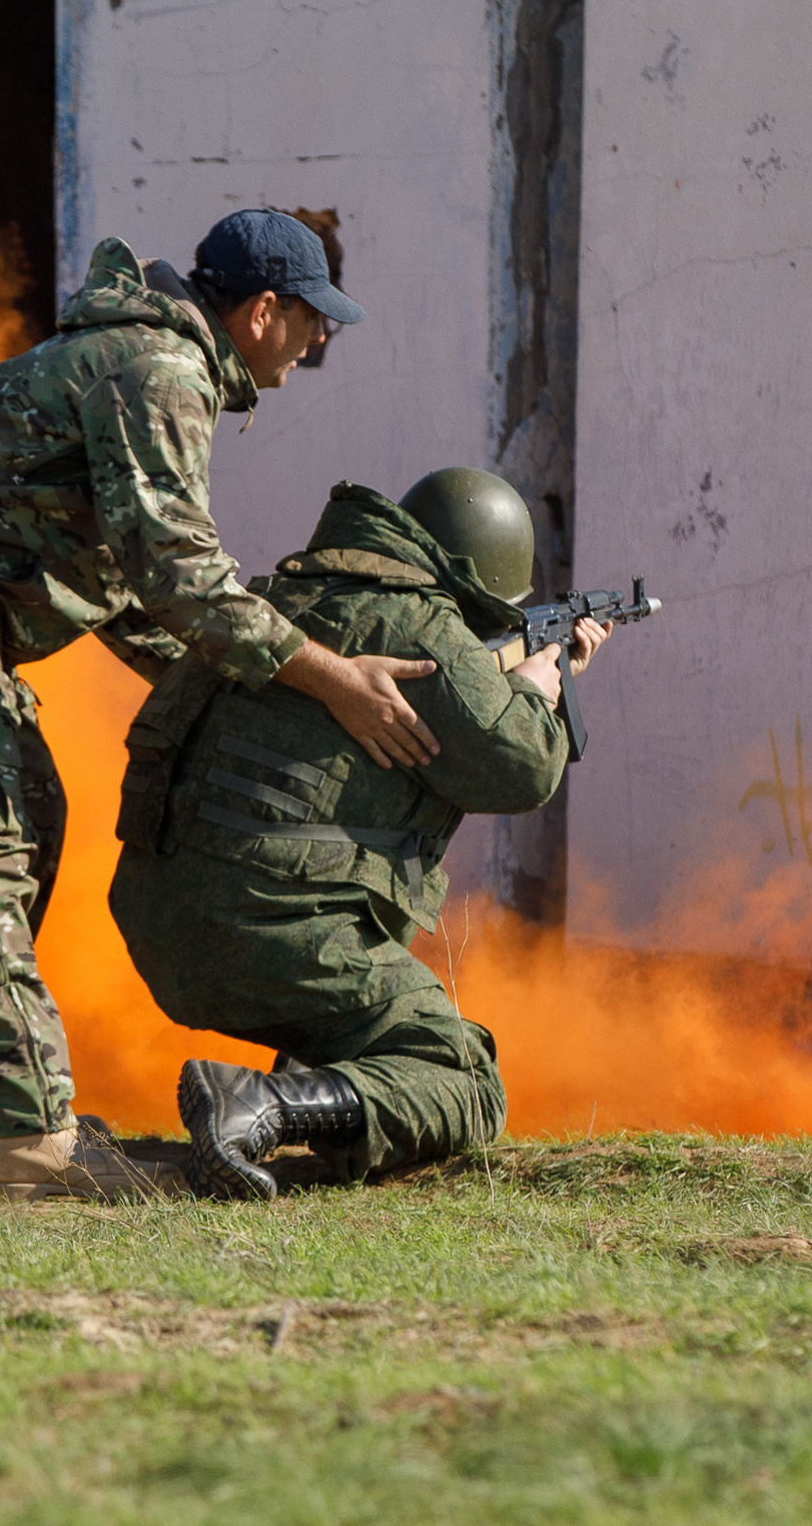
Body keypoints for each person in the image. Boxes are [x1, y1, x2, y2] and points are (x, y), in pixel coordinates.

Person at [0, 210, 450, 1198]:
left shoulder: (153, 363)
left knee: (24, 818)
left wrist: (270, 694)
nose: (321, 341)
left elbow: (140, 593)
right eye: (315, 319)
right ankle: (32, 1138)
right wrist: (326, 675)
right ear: (263, 309)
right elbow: (183, 578)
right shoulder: (160, 371)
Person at [106, 468, 611, 1199]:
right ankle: (262, 1104)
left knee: (353, 1018)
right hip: (266, 930)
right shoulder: (423, 627)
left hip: (159, 923)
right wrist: (536, 689)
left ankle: (300, 1103)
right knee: (462, 1079)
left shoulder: (268, 602)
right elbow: (523, 771)